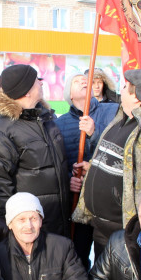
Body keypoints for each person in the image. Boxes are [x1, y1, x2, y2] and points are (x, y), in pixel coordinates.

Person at [72, 68, 141, 257]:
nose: (120, 91)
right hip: (102, 230)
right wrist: (94, 168)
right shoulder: (122, 118)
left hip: (130, 236)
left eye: (125, 87)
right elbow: (124, 162)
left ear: (137, 98)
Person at [0, 64, 70, 236]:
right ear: (27, 90)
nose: (41, 83)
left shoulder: (47, 120)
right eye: (37, 81)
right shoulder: (2, 131)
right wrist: (14, 229)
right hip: (29, 229)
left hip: (58, 220)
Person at [56, 73, 118, 267]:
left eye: (86, 79)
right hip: (77, 202)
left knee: (106, 257)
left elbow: (120, 147)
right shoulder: (59, 124)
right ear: (70, 96)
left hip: (105, 198)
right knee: (78, 254)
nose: (83, 80)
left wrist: (94, 132)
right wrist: (69, 180)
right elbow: (58, 161)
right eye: (76, 81)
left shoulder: (113, 111)